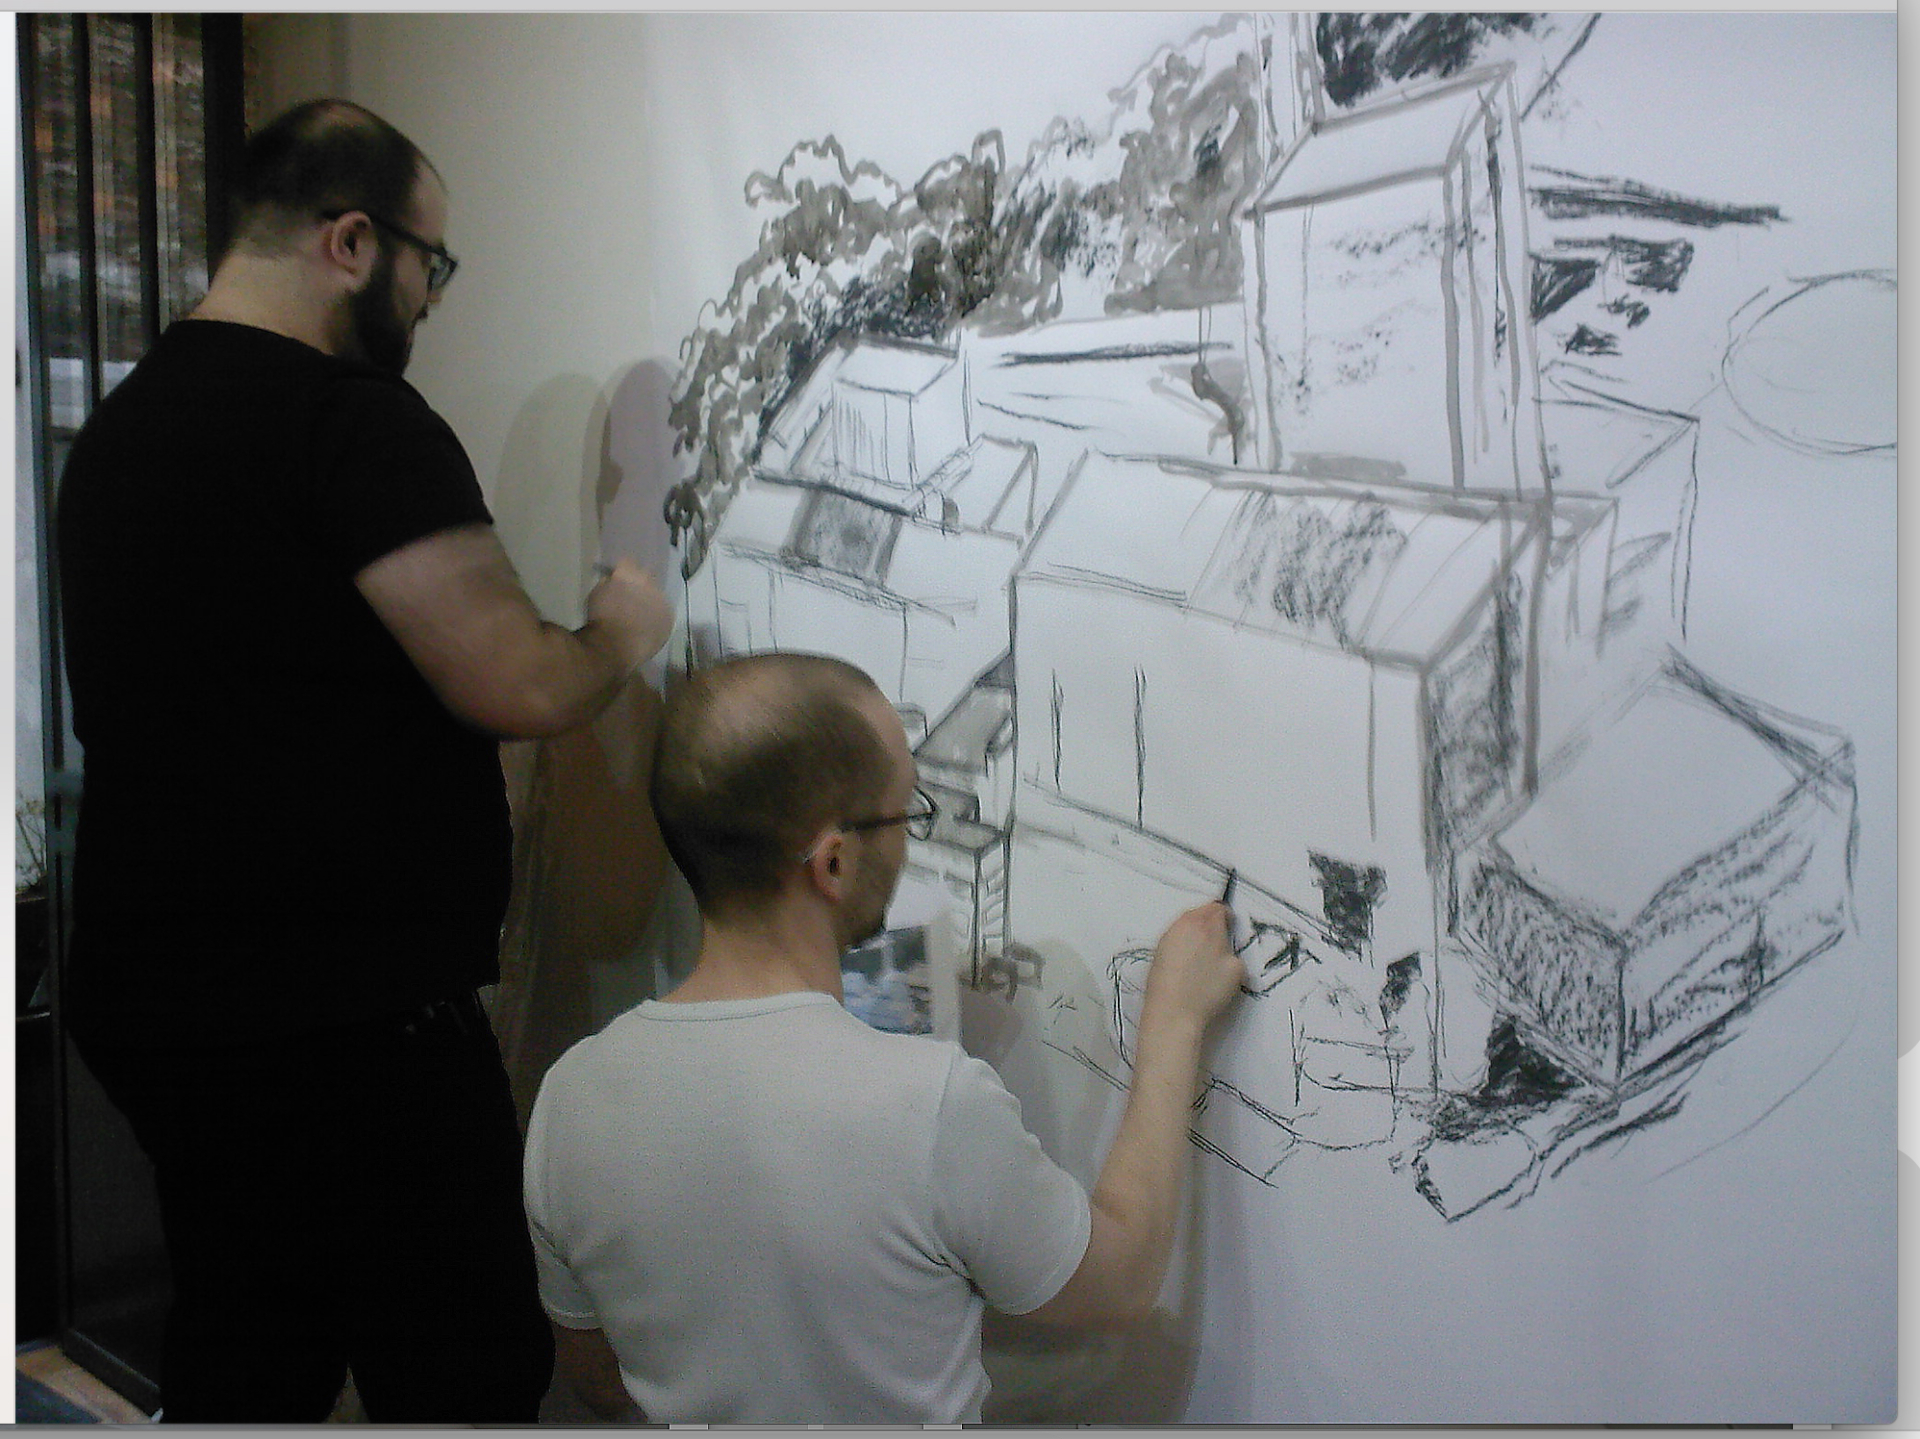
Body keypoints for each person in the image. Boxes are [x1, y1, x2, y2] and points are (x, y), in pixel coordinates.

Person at [54, 99, 673, 1423]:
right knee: (462, 1367)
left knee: (247, 1343)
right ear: (350, 241)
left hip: (164, 997)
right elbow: (517, 680)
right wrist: (620, 630)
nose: (432, 296)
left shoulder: (120, 431)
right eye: (428, 261)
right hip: (337, 1022)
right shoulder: (351, 422)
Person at [522, 652, 1242, 1423]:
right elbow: (1120, 1282)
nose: (910, 838)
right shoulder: (930, 1104)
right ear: (834, 862)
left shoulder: (569, 1097)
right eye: (907, 812)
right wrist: (1175, 1017)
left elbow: (597, 1376)